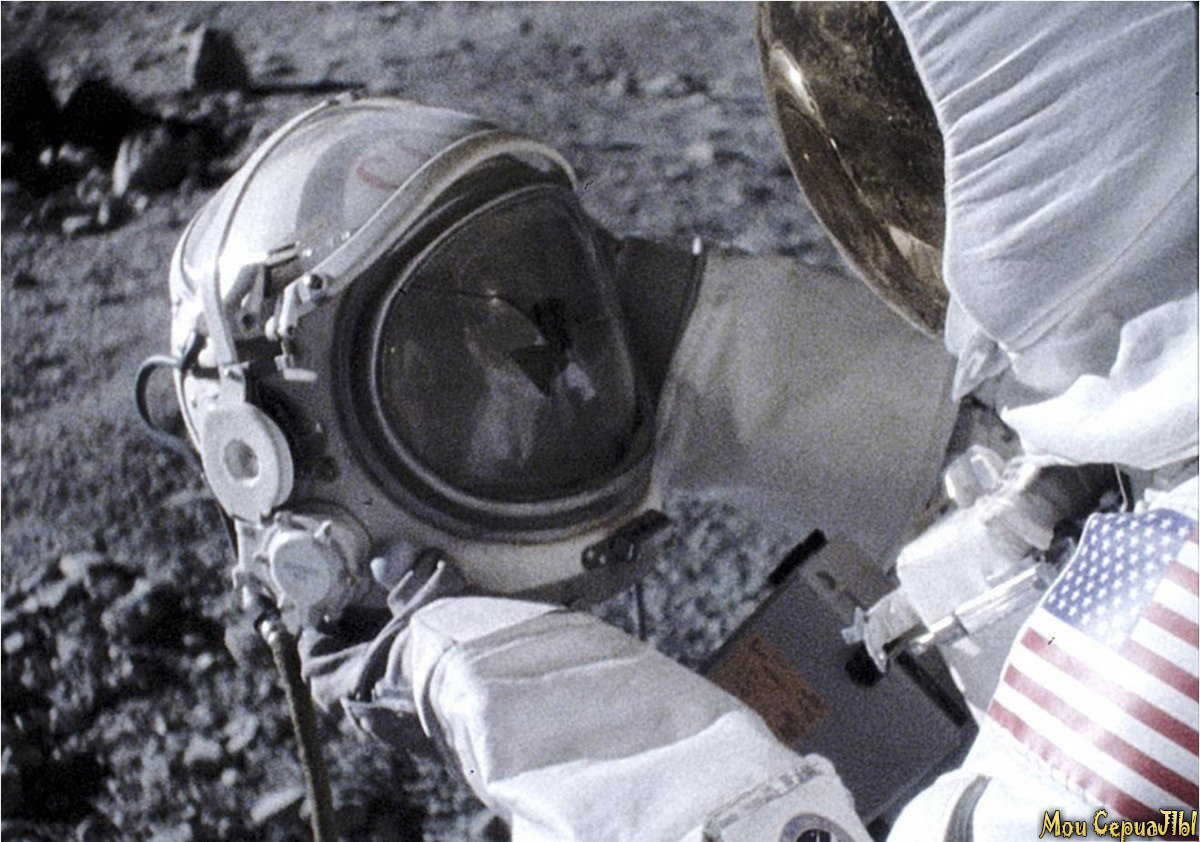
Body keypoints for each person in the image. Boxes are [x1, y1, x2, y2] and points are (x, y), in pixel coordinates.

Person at [143, 3, 1197, 840]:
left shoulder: (1135, 749)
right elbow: (1019, 461)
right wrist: (706, 349)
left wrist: (501, 687)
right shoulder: (1157, 444)